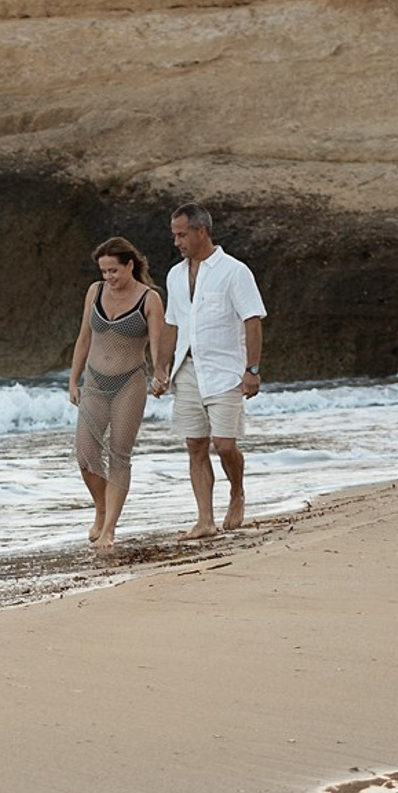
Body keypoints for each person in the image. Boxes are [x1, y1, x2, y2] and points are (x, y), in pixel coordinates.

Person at [162, 202, 266, 536]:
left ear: (201, 231)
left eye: (182, 235)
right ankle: (205, 520)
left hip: (225, 371)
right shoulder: (175, 275)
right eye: (175, 235)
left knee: (223, 445)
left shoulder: (234, 271)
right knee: (195, 444)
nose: (177, 242)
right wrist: (161, 368)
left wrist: (252, 369)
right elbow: (171, 324)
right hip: (187, 370)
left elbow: (252, 320)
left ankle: (236, 492)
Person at [64, 237, 170, 553]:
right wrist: (73, 381)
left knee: (119, 454)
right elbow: (84, 338)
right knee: (85, 454)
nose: (108, 277)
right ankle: (102, 507)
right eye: (104, 271)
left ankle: (109, 528)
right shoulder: (95, 291)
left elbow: (157, 346)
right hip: (95, 382)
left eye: (114, 270)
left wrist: (160, 374)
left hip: (129, 383)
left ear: (129, 265)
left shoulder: (149, 299)